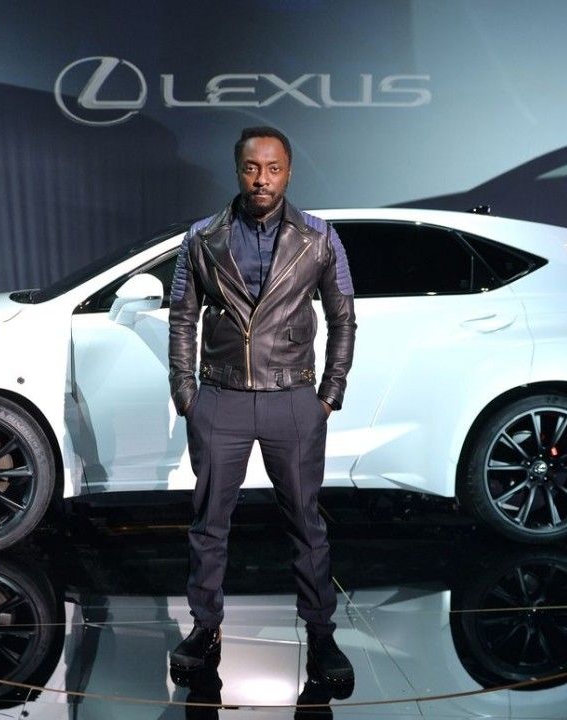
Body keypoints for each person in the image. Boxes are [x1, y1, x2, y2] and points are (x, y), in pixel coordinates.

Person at [167, 126, 357, 687]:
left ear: (289, 172)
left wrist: (329, 395)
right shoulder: (203, 237)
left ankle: (321, 634)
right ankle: (205, 629)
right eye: (252, 168)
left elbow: (344, 318)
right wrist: (186, 394)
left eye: (273, 169)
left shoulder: (319, 237)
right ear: (238, 171)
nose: (262, 179)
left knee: (306, 523)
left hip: (293, 399)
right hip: (220, 397)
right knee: (208, 525)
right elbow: (182, 317)